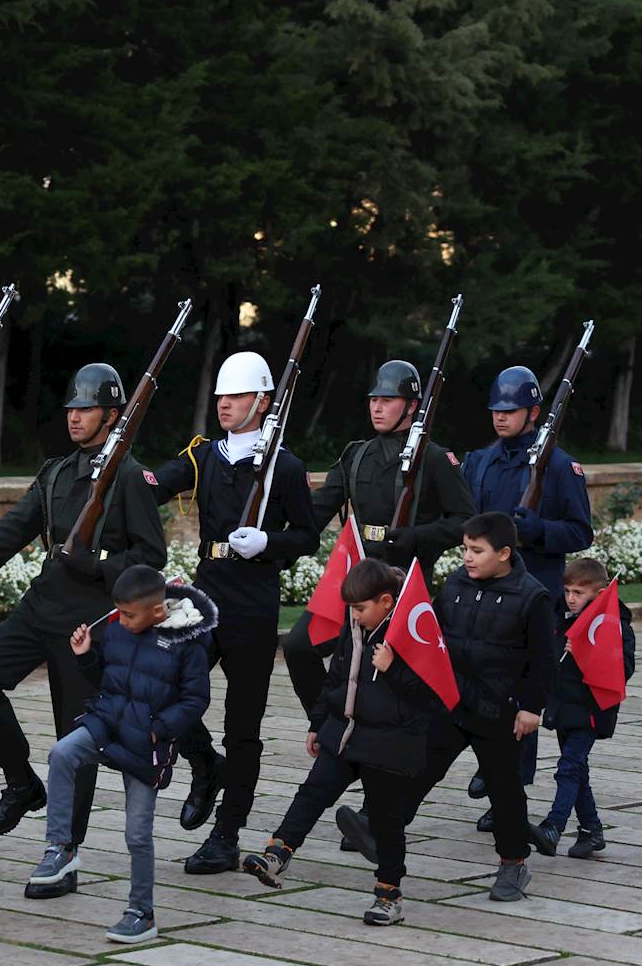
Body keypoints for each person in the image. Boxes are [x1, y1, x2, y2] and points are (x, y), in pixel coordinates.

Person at [0, 363, 169, 898]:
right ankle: (21, 783)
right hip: (41, 607)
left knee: (72, 737)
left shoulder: (130, 478)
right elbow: (10, 532)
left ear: (113, 415)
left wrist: (96, 565)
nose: (75, 417)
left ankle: (64, 851)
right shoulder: (56, 472)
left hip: (89, 621)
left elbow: (150, 560)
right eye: (71, 408)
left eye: (85, 409)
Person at [149, 351, 319, 874]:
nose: (225, 404)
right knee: (158, 682)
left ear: (263, 402)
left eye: (237, 396)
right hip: (205, 592)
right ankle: (206, 766)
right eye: (222, 396)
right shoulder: (205, 456)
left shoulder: (283, 466)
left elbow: (307, 537)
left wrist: (267, 541)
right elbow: (156, 483)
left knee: (242, 726)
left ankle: (226, 834)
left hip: (253, 601)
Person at [343, 511, 555, 902]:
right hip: (450, 701)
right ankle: (380, 831)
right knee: (416, 770)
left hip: (499, 709)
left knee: (504, 789)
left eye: (477, 550)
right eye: (464, 549)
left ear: (504, 553)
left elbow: (543, 659)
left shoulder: (532, 596)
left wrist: (531, 707)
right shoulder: (456, 583)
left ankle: (514, 863)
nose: (468, 558)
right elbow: (430, 628)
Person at [242, 559, 446, 926]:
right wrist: (319, 722)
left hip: (390, 742)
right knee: (313, 792)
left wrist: (393, 668)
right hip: (346, 730)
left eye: (360, 608)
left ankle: (388, 894)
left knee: (386, 821)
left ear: (386, 601)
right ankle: (277, 853)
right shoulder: (354, 629)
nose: (355, 615)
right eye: (351, 608)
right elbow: (337, 677)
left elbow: (433, 695)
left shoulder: (414, 629)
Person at [26, 565, 214, 941]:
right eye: (119, 612)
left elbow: (196, 701)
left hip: (146, 743)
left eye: (129, 614)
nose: (121, 620)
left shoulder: (186, 644)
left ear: (157, 612)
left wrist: (159, 729)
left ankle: (141, 912)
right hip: (107, 723)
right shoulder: (116, 630)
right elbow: (107, 679)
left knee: (137, 835)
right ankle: (61, 847)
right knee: (62, 753)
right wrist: (84, 656)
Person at [280, 359, 473, 715]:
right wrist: (277, 545)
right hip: (358, 577)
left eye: (387, 400)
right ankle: (325, 720)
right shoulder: (356, 455)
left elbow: (466, 521)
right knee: (298, 646)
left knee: (386, 676)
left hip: (401, 586)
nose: (377, 407)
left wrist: (417, 536)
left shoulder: (434, 459)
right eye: (373, 400)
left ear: (412, 406)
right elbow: (317, 511)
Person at [459, 365, 593, 823]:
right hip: (486, 593)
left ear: (534, 412)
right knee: (477, 683)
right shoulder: (482, 461)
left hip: (534, 593)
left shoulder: (557, 466)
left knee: (521, 695)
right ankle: (488, 763)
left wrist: (538, 531)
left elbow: (580, 532)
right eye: (496, 410)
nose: (500, 418)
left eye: (510, 410)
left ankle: (507, 792)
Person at [531, 556, 634, 858]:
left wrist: (585, 654)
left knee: (568, 768)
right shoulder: (563, 620)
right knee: (577, 771)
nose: (571, 599)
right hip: (564, 707)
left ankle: (554, 826)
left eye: (579, 593)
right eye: (568, 591)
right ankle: (591, 830)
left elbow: (623, 669)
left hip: (590, 709)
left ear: (599, 595)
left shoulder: (616, 625)